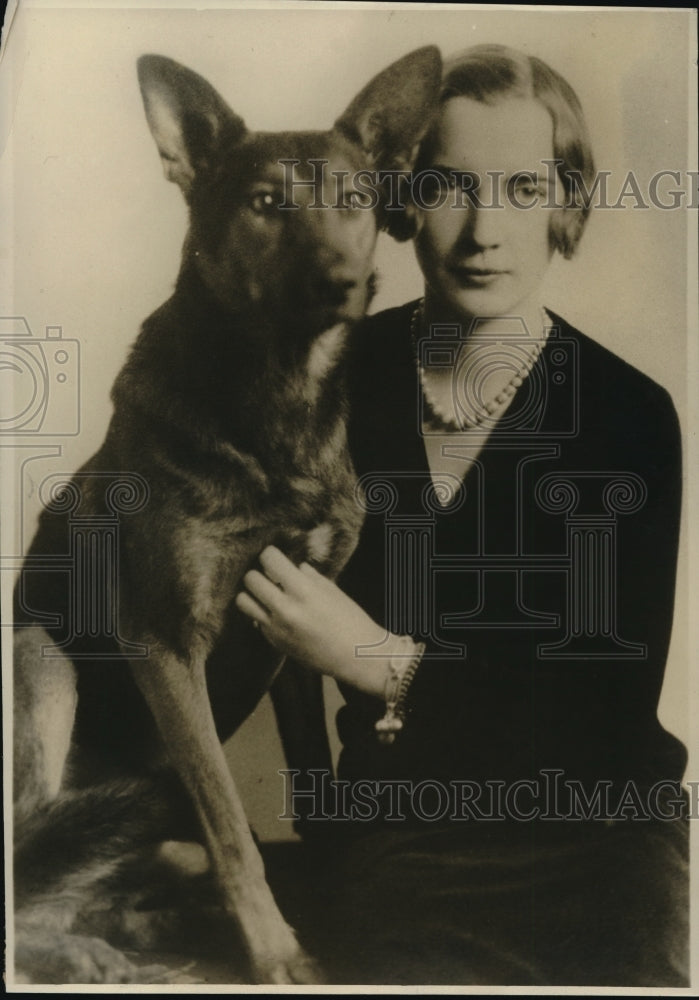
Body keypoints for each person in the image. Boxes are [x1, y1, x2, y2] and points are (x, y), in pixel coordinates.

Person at [236, 44, 689, 986]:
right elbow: (250, 599)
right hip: (399, 832)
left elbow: (606, 718)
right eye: (448, 186)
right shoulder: (328, 379)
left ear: (565, 202)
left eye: (524, 188)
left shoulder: (627, 416)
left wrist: (377, 660)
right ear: (400, 199)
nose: (485, 230)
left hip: (596, 836)